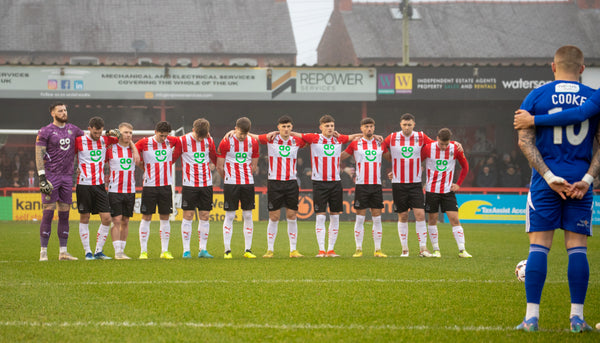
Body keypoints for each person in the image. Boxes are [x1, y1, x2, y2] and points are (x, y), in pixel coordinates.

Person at [513, 46, 596, 332]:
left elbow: (525, 141)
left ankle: (531, 319)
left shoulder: (537, 95)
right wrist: (587, 178)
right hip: (579, 183)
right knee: (577, 250)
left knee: (539, 247)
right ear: (582, 69)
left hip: (545, 182)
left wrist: (548, 176)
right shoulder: (593, 97)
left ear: (553, 67)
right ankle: (577, 318)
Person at [294, 115, 354, 257]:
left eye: (332, 126)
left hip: (335, 182)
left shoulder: (339, 138)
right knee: (320, 217)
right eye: (327, 126)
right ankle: (321, 250)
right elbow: (296, 134)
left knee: (335, 216)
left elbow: (354, 137)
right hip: (319, 182)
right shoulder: (313, 138)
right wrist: (279, 133)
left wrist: (374, 135)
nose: (330, 128)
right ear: (321, 127)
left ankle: (331, 250)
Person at [382, 113, 436, 257]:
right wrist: (389, 161)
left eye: (409, 125)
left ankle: (423, 248)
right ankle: (405, 249)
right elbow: (380, 147)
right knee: (403, 215)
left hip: (415, 183)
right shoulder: (392, 137)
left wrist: (455, 144)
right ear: (400, 125)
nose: (407, 127)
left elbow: (435, 145)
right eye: (404, 125)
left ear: (414, 124)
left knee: (420, 214)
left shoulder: (421, 136)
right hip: (398, 183)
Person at [36, 102, 84, 261]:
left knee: (65, 214)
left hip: (67, 177)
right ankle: (43, 251)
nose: (63, 113)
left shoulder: (74, 129)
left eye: (65, 110)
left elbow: (90, 140)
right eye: (60, 111)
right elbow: (38, 154)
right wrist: (42, 177)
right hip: (51, 176)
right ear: (52, 113)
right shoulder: (45, 131)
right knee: (48, 213)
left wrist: (107, 133)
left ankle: (63, 252)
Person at [253, 115, 306, 258]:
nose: (286, 129)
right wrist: (233, 132)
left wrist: (291, 133)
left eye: (289, 126)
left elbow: (310, 139)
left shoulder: (297, 141)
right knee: (274, 216)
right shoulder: (271, 139)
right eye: (283, 127)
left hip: (291, 182)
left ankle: (293, 250)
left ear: (292, 128)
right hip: (275, 182)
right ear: (278, 127)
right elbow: (255, 137)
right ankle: (270, 249)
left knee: (292, 215)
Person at [75, 116, 123, 260]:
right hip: (83, 184)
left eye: (99, 132)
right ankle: (87, 252)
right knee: (85, 217)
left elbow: (119, 137)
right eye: (95, 132)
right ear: (89, 129)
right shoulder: (79, 141)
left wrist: (109, 132)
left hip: (100, 185)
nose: (97, 136)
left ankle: (98, 251)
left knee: (107, 218)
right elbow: (67, 155)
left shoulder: (105, 139)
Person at [341, 117, 387, 258]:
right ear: (361, 128)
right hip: (361, 185)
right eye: (366, 126)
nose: (369, 129)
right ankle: (358, 249)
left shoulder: (381, 143)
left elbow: (393, 158)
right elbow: (339, 156)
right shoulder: (355, 144)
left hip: (376, 185)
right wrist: (342, 169)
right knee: (360, 218)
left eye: (371, 126)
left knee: (377, 218)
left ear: (374, 128)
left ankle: (378, 250)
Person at [135, 121, 182, 259]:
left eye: (165, 136)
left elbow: (179, 144)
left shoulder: (171, 141)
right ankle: (143, 251)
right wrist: (144, 167)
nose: (163, 138)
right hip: (149, 186)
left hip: (166, 186)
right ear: (155, 132)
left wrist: (171, 160)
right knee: (146, 217)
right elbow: (135, 155)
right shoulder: (143, 143)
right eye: (161, 135)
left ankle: (164, 251)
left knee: (165, 217)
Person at [422, 128, 471, 258]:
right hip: (432, 191)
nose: (444, 147)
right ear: (437, 138)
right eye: (441, 144)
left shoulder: (455, 148)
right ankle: (436, 250)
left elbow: (465, 166)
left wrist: (458, 183)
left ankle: (462, 250)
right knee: (432, 220)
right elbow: (416, 162)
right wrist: (420, 180)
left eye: (446, 144)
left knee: (455, 219)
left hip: (448, 190)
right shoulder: (428, 148)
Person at [217, 117, 259, 259]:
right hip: (231, 183)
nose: (242, 136)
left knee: (247, 215)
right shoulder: (226, 141)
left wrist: (245, 175)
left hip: (247, 183)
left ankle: (248, 249)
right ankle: (227, 250)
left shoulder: (253, 142)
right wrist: (228, 178)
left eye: (245, 134)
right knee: (230, 215)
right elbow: (219, 166)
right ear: (235, 129)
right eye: (240, 133)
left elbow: (254, 165)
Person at [179, 118, 217, 259]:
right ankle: (186, 250)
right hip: (189, 185)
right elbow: (172, 156)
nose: (201, 139)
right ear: (193, 130)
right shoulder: (183, 140)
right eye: (198, 136)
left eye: (204, 136)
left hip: (206, 184)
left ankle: (203, 249)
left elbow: (215, 157)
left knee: (205, 216)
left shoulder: (209, 140)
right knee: (188, 216)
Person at [107, 122, 138, 260]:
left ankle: (122, 251)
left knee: (125, 220)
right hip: (115, 190)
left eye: (130, 133)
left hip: (130, 190)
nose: (128, 135)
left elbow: (138, 161)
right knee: (117, 220)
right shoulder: (111, 148)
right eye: (125, 132)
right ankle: (117, 252)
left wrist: (133, 147)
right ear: (119, 133)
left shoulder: (134, 149)